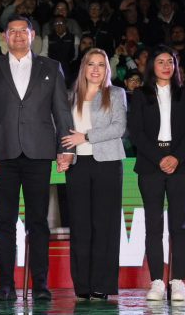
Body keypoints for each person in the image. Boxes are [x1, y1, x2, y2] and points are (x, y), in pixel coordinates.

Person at [0, 15, 73, 302]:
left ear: (33, 35)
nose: (17, 36)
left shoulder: (51, 67)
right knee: (4, 222)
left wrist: (66, 149)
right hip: (0, 157)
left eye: (23, 31)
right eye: (12, 31)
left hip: (39, 154)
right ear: (5, 36)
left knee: (38, 222)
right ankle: (5, 285)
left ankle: (40, 284)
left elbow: (61, 112)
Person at [127, 45, 185, 302]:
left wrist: (175, 157)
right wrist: (160, 158)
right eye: (161, 61)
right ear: (151, 66)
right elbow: (136, 134)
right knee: (153, 225)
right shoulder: (139, 94)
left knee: (179, 224)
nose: (167, 65)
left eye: (171, 61)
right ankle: (157, 281)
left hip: (180, 164)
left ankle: (178, 281)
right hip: (150, 164)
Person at [59, 48, 126, 300]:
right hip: (77, 165)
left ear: (107, 69)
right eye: (91, 64)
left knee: (105, 225)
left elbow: (119, 127)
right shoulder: (69, 96)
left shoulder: (116, 94)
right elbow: (61, 131)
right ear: (83, 68)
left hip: (107, 164)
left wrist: (85, 136)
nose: (96, 69)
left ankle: (102, 285)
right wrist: (61, 153)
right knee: (80, 226)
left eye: (101, 64)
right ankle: (83, 286)